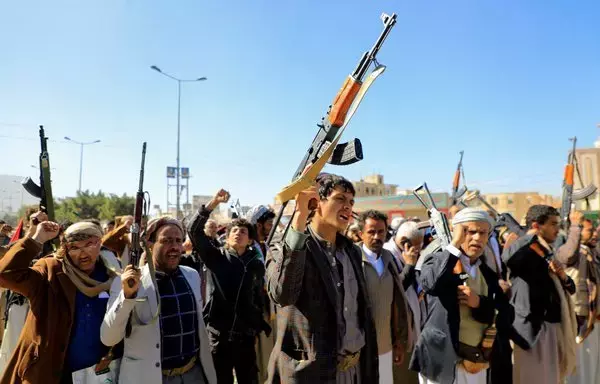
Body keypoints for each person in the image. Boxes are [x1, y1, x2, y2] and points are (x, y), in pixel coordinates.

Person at [266, 173, 378, 383]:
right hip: (313, 375)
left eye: (351, 202)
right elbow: (283, 294)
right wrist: (299, 219)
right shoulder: (284, 246)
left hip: (354, 372)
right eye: (340, 199)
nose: (348, 206)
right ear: (316, 202)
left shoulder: (352, 252)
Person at [0, 213, 122, 384]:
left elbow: (122, 319)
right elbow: (6, 275)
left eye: (89, 244)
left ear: (100, 243)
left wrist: (113, 352)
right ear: (65, 248)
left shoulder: (111, 275)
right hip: (50, 373)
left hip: (97, 374)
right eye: (74, 247)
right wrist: (36, 239)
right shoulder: (50, 270)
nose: (83, 252)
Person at [101, 216, 217, 384]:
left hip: (193, 374)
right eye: (167, 240)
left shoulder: (191, 276)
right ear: (150, 243)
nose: (175, 247)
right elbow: (108, 338)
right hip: (150, 377)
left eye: (178, 240)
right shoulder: (128, 282)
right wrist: (127, 297)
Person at [411, 208, 511, 384]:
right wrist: (454, 245)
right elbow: (431, 284)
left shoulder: (487, 273)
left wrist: (479, 303)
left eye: (483, 233)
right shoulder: (436, 259)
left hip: (474, 362)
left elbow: (505, 313)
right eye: (470, 232)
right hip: (441, 361)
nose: (477, 238)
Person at [187, 191, 270, 384]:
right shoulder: (216, 258)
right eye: (234, 231)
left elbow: (257, 297)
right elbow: (193, 230)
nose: (238, 234)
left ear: (250, 240)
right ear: (227, 236)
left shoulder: (256, 265)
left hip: (246, 340)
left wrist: (257, 324)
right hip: (219, 339)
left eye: (243, 232)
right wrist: (213, 202)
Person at [502, 205, 577, 384]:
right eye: (552, 224)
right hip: (532, 331)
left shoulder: (547, 251)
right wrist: (527, 237)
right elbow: (509, 260)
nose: (557, 229)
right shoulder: (525, 249)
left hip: (553, 328)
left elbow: (570, 287)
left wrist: (562, 275)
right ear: (536, 225)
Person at [357, 210, 412, 384]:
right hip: (361, 350)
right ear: (361, 234)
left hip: (386, 347)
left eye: (381, 232)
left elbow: (397, 303)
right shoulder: (353, 260)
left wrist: (399, 343)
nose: (376, 236)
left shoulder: (388, 259)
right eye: (371, 232)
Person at [384, 221, 424, 384]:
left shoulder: (405, 255)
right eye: (416, 247)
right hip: (396, 333)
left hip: (411, 328)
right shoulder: (387, 255)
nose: (418, 252)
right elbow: (394, 291)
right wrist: (409, 265)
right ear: (405, 243)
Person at [566, 218, 599, 384]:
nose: (593, 234)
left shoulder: (591, 251)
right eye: (588, 230)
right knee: (578, 366)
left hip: (592, 318)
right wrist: (574, 226)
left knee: (591, 367)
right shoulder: (574, 252)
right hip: (579, 318)